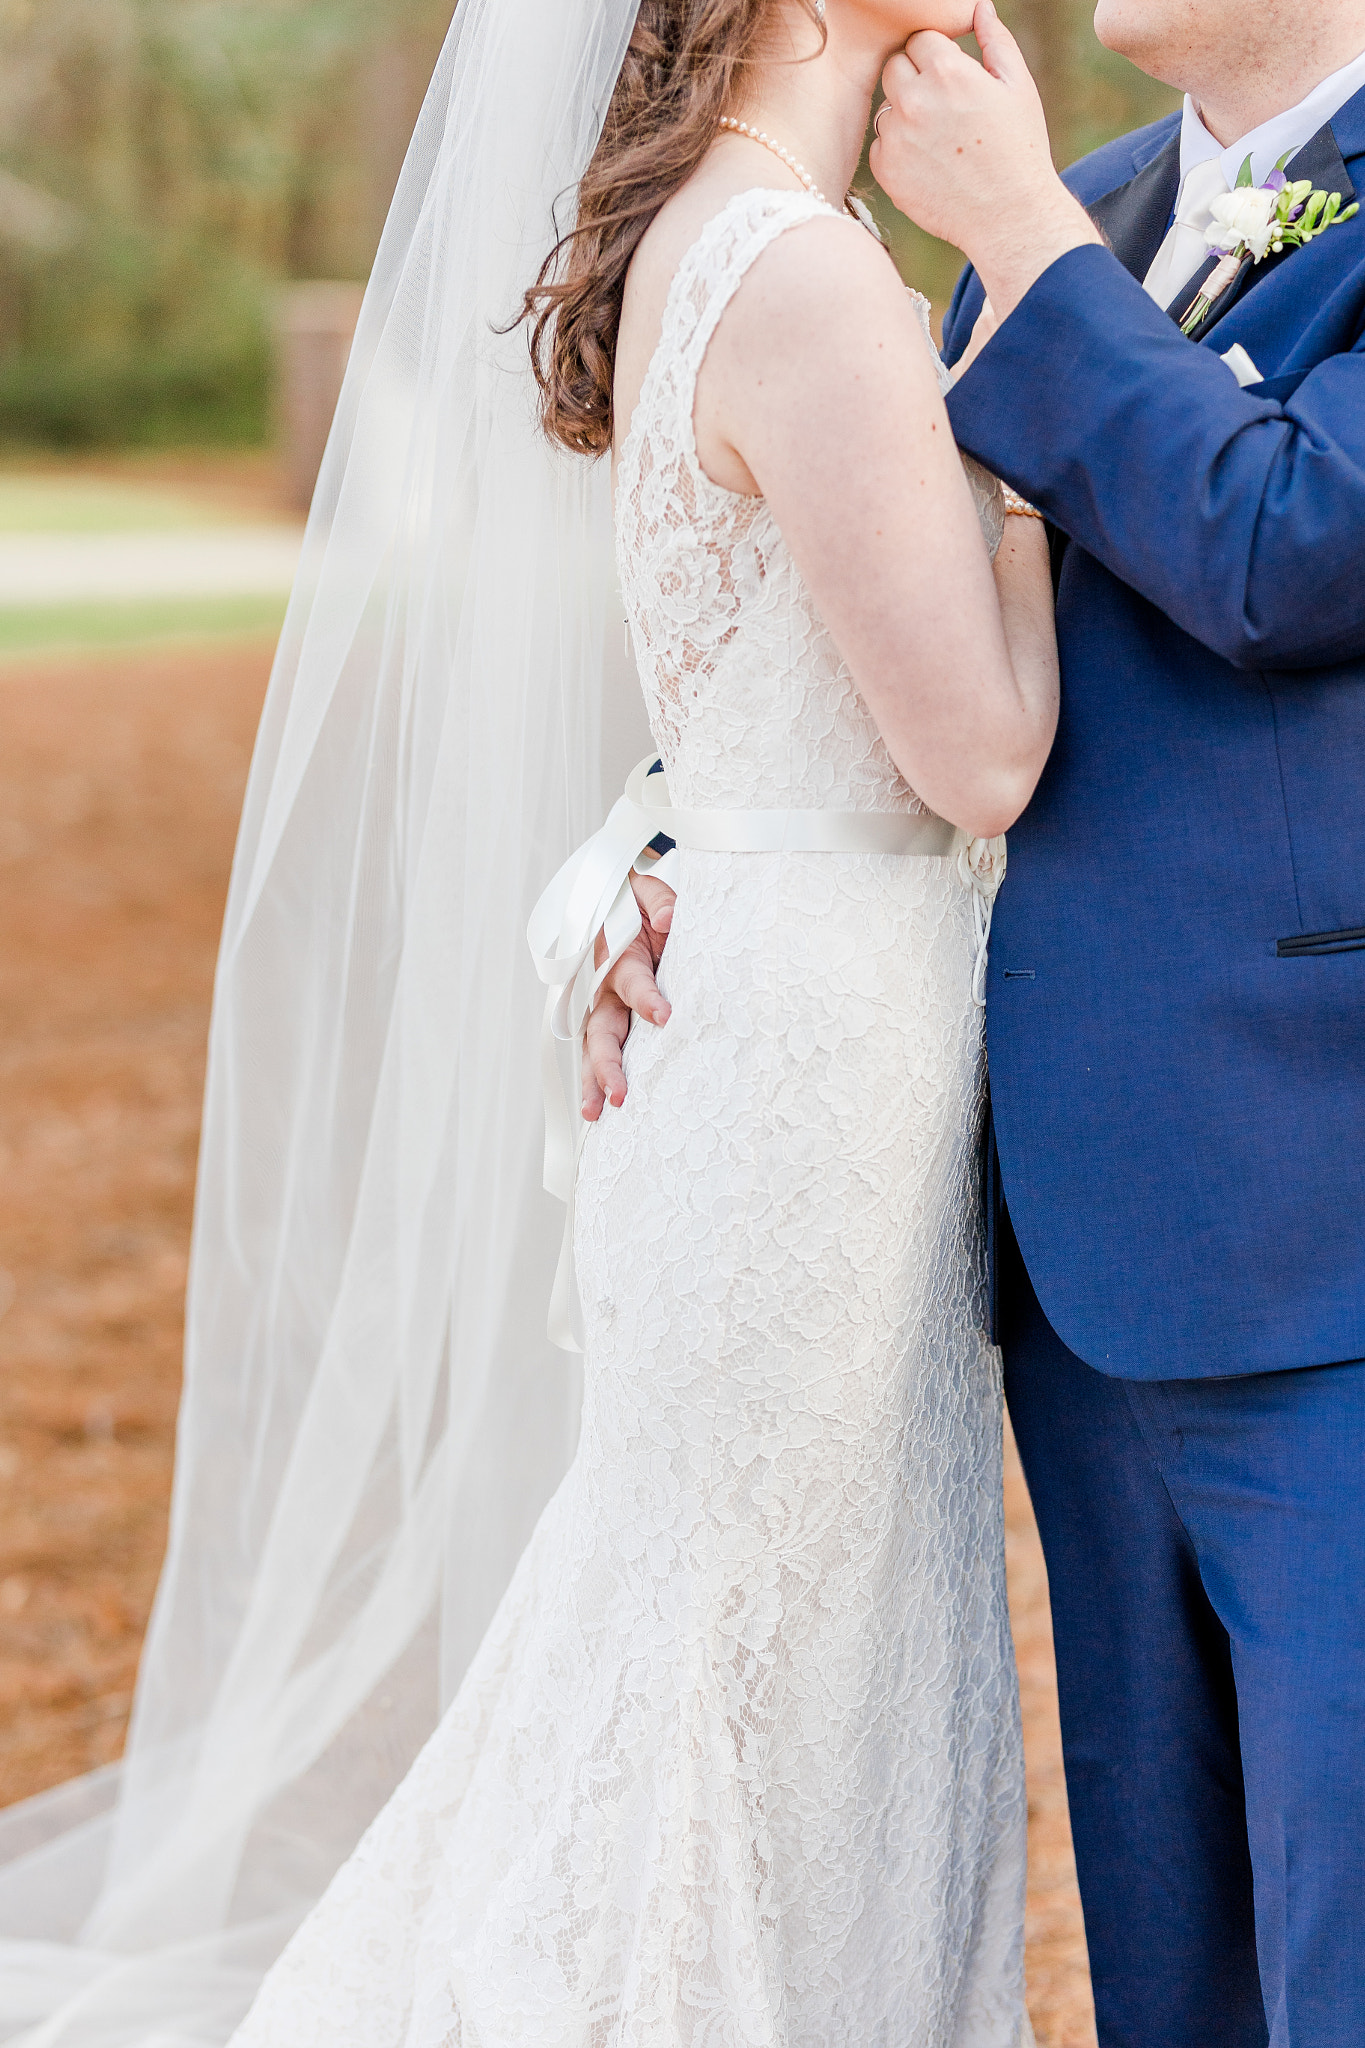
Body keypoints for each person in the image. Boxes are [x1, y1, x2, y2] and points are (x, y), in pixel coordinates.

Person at [218, 0, 1063, 2040]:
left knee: (746, 1623)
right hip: (814, 1055)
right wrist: (1038, 461)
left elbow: (752, 705)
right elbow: (980, 755)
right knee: (771, 1649)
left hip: (761, 993)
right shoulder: (811, 279)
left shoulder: (712, 234)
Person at [605, 2, 1365, 2041]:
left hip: (1328, 1235)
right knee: (1160, 1943)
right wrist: (658, 862)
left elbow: (1294, 546)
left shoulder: (1027, 230)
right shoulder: (1069, 217)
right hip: (1054, 1237)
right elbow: (866, 645)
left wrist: (1022, 241)